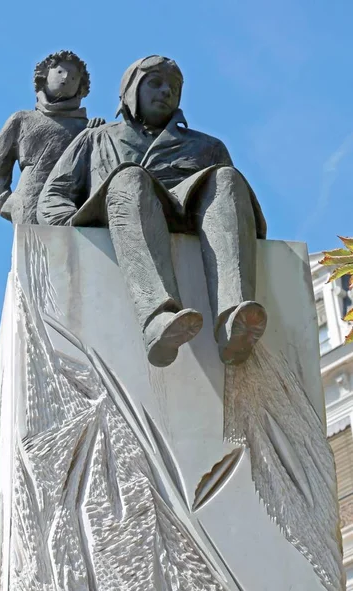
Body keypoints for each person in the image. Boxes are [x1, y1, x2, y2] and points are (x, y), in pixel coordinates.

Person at [38, 55, 267, 368]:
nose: (165, 92)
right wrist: (78, 237)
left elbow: (232, 209)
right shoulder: (96, 139)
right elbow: (54, 196)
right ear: (132, 89)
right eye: (155, 83)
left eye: (173, 87)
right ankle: (159, 320)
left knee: (226, 177)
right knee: (129, 177)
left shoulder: (207, 146)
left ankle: (234, 321)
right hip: (124, 212)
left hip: (187, 217)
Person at [0, 50, 104, 224]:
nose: (66, 78)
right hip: (29, 204)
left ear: (81, 86)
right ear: (45, 75)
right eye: (60, 71)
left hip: (70, 208)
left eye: (73, 77)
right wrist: (9, 204)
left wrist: (98, 135)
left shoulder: (87, 128)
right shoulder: (22, 120)